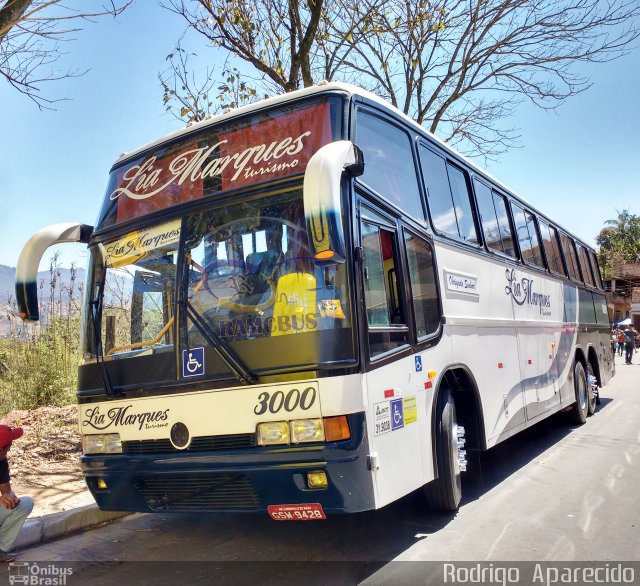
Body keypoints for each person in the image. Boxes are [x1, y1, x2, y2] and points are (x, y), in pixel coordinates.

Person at [0, 425, 33, 563]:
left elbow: (5, 489)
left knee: (25, 504)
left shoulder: (1, 460)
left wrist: (10, 497)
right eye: (9, 446)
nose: (10, 448)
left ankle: (1, 550)